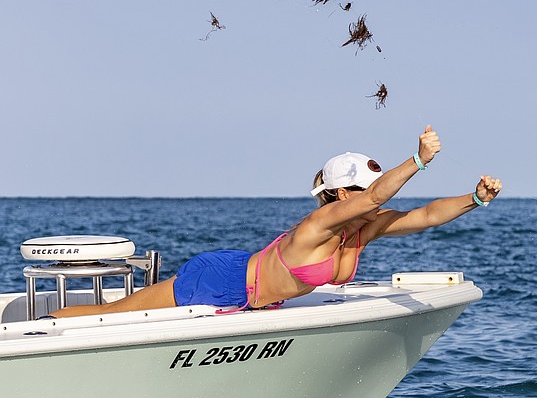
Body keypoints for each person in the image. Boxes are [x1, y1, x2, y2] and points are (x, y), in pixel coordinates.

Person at [50, 125, 502, 317]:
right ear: (342, 195)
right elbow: (383, 194)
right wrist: (419, 161)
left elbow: (424, 215)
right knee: (109, 317)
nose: (374, 197)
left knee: (115, 315)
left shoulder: (363, 229)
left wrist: (476, 199)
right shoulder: (319, 225)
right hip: (220, 280)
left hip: (252, 294)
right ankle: (43, 326)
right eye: (364, 190)